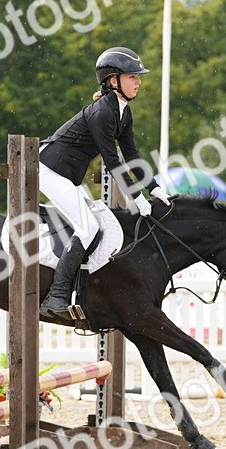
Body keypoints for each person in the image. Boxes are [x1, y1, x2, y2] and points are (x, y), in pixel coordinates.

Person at [37, 46, 170, 315]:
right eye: (133, 77)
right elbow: (113, 161)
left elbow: (132, 154)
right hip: (48, 169)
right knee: (87, 228)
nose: (139, 82)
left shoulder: (122, 112)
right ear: (113, 81)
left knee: (94, 225)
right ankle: (56, 297)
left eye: (137, 77)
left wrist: (154, 187)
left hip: (66, 174)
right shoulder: (102, 112)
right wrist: (138, 197)